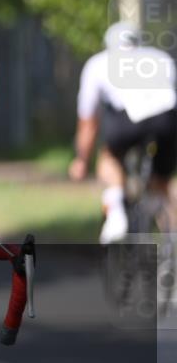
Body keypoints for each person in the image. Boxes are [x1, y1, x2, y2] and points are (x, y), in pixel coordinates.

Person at [69, 21, 177, 244]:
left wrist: (82, 160)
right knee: (163, 185)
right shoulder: (160, 57)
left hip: (128, 120)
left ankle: (116, 208)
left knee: (108, 157)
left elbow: (88, 121)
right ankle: (171, 238)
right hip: (167, 118)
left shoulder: (98, 63)